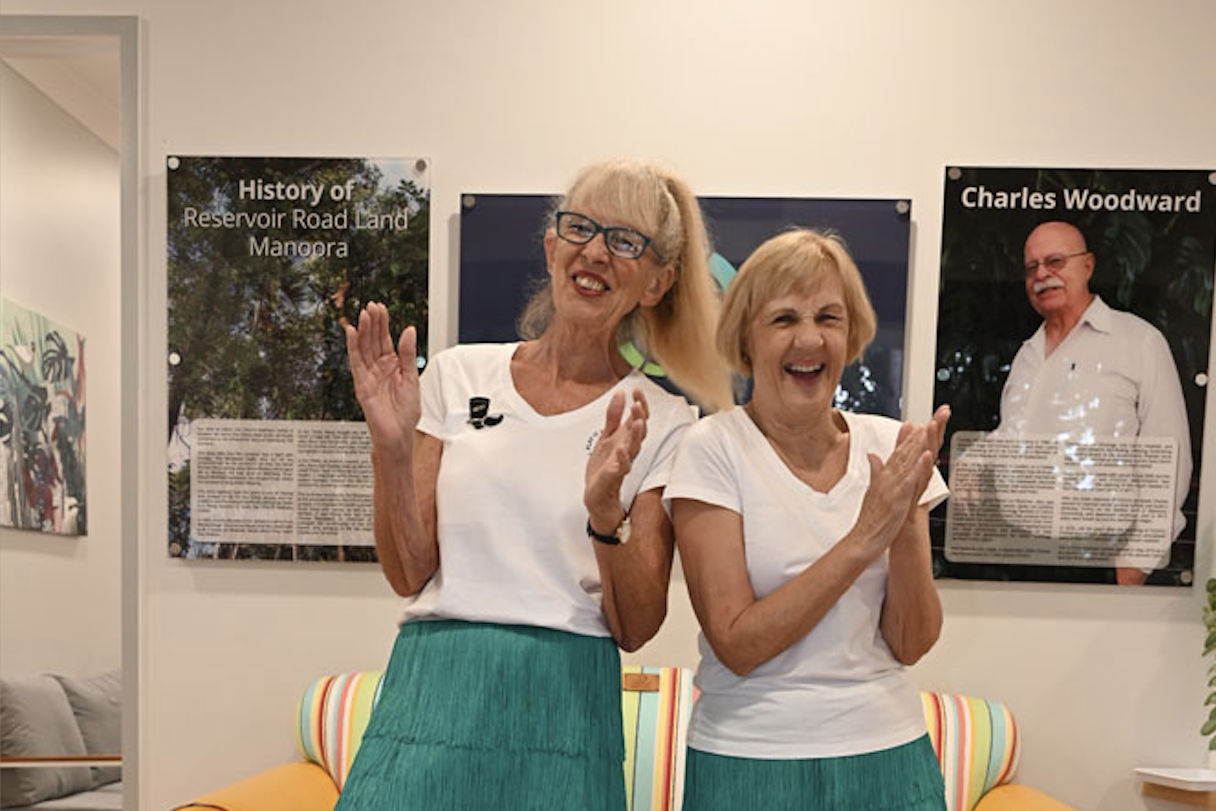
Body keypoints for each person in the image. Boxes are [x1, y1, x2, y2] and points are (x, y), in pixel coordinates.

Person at [336, 158, 733, 810]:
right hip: (431, 687)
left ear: (658, 281)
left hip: (567, 703)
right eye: (581, 227)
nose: (596, 252)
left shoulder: (662, 421)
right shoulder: (460, 375)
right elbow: (410, 570)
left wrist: (605, 513)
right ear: (552, 247)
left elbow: (636, 625)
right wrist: (391, 446)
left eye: (625, 239)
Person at [666, 229, 951, 811]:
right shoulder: (711, 448)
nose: (810, 338)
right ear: (746, 338)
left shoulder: (892, 445)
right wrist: (865, 535)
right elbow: (738, 643)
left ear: (851, 335)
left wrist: (904, 525)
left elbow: (912, 641)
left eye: (829, 317)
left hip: (890, 754)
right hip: (748, 761)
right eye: (783, 319)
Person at [998, 220, 1192, 585]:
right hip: (1016, 558)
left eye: (1055, 261)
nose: (1042, 275)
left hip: (1099, 563)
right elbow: (1013, 439)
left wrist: (1136, 563)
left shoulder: (1138, 342)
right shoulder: (1027, 355)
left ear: (1087, 265)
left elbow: (1169, 459)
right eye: (1031, 267)